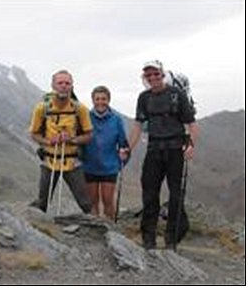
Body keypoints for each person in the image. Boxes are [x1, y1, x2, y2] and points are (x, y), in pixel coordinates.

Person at [121, 60, 199, 251]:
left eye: (156, 74)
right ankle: (149, 239)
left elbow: (191, 124)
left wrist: (191, 145)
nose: (153, 78)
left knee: (175, 195)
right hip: (154, 150)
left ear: (163, 74)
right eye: (149, 75)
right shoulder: (143, 98)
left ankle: (171, 240)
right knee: (149, 194)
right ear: (145, 78)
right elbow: (138, 126)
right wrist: (128, 148)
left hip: (175, 150)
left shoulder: (177, 95)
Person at [29, 70, 93, 214]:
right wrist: (48, 141)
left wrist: (71, 140)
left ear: (72, 86)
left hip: (72, 161)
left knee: (85, 203)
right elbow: (34, 133)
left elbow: (89, 135)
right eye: (60, 83)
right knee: (42, 202)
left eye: (67, 83)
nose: (64, 86)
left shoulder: (80, 109)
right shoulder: (42, 108)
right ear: (53, 85)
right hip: (49, 160)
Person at [81, 86, 129, 221]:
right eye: (97, 99)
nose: (100, 102)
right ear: (92, 100)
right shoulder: (86, 117)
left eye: (104, 99)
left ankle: (111, 230)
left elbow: (123, 143)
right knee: (92, 202)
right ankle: (94, 231)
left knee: (108, 201)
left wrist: (123, 154)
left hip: (109, 166)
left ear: (109, 100)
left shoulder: (116, 120)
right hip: (89, 165)